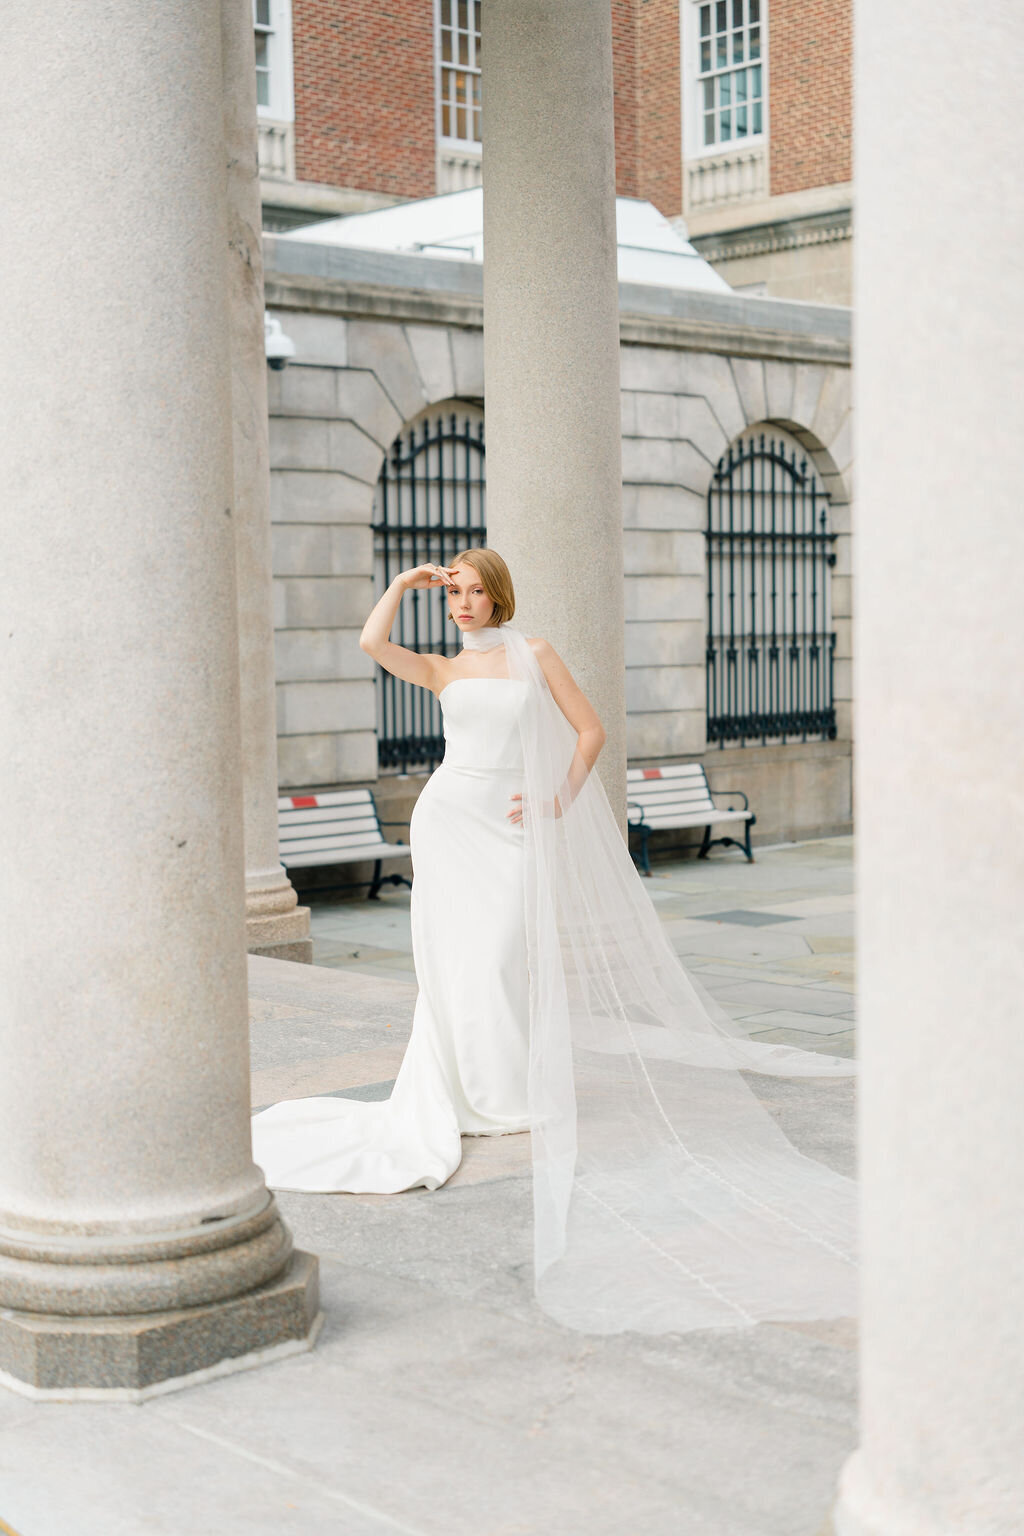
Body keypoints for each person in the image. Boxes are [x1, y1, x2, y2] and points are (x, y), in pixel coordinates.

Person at [252, 548, 859, 1336]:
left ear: (499, 594)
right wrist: (403, 584)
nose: (462, 603)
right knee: (459, 966)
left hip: (503, 829)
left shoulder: (533, 655)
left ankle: (505, 1091)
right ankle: (470, 1095)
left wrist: (554, 801)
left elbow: (591, 732)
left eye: (474, 592)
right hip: (446, 821)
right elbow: (372, 645)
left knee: (502, 954)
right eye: (455, 593)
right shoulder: (442, 670)